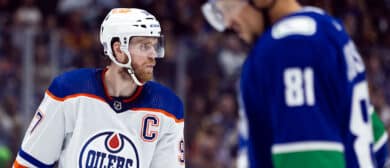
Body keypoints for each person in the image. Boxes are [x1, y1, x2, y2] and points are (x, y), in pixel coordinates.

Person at [202, 0, 388, 167]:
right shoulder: (327, 28)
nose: (228, 22)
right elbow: (377, 144)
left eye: (229, 7)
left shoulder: (289, 49)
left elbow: (309, 160)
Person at [13, 8, 185, 168]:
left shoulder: (168, 107)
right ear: (118, 49)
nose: (153, 55)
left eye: (154, 46)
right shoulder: (69, 90)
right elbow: (29, 163)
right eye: (144, 46)